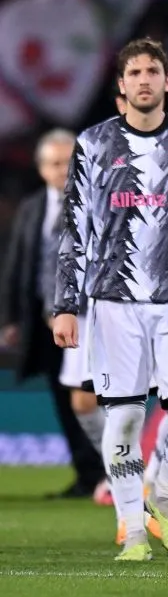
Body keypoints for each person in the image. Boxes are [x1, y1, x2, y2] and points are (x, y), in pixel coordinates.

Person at [52, 37, 168, 561]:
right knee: (126, 417)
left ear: (167, 81)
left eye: (152, 71)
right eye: (134, 72)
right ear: (121, 84)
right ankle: (132, 530)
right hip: (113, 299)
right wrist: (65, 303)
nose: (143, 80)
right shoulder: (92, 144)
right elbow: (74, 228)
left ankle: (164, 492)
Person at [0, 129, 106, 500]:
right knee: (62, 398)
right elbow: (17, 265)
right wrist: (11, 318)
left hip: (89, 317)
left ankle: (109, 470)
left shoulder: (97, 202)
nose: (63, 170)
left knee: (90, 396)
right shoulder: (31, 208)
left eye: (70, 161)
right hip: (41, 320)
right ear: (42, 168)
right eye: (56, 163)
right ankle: (86, 473)